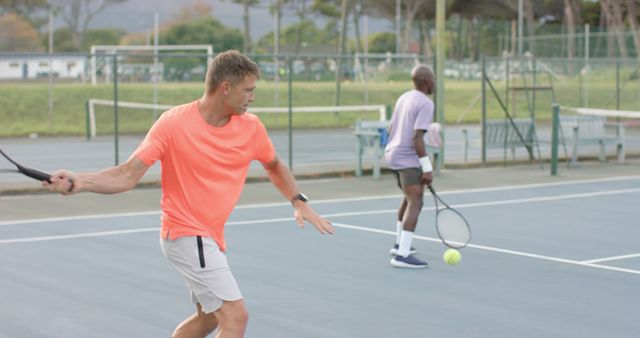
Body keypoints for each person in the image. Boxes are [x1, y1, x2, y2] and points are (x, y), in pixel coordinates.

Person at [44, 50, 335, 338]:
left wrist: (298, 201)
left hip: (209, 236)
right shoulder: (173, 123)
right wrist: (79, 180)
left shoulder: (251, 127)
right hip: (185, 234)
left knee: (208, 319)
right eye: (248, 90)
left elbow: (273, 164)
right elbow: (126, 175)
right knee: (236, 318)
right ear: (225, 88)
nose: (252, 97)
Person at [384, 64, 436, 269]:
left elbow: (391, 128)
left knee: (409, 198)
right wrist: (427, 167)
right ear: (425, 81)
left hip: (392, 155)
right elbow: (417, 138)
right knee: (416, 201)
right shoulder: (425, 103)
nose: (434, 82)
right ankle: (402, 255)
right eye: (432, 78)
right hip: (407, 158)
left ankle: (399, 245)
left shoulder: (404, 97)